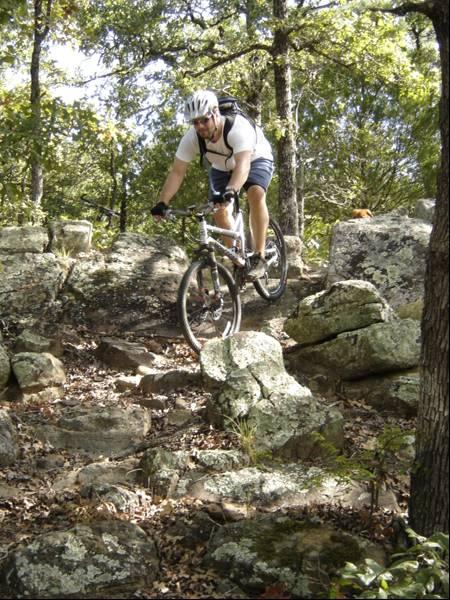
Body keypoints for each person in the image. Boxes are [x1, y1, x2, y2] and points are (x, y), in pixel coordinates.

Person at [150, 89, 274, 280]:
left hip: (254, 157)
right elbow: (177, 172)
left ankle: (259, 256)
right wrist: (162, 203)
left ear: (215, 113)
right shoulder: (192, 138)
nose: (199, 126)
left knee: (255, 193)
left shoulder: (237, 127)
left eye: (204, 120)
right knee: (218, 210)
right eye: (195, 122)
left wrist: (231, 191)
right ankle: (238, 259)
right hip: (221, 166)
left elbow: (243, 164)